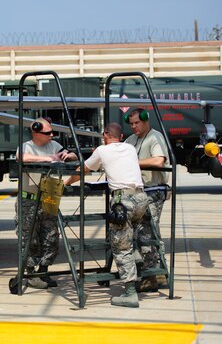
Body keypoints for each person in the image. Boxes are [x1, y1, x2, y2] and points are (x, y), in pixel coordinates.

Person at [65, 122, 150, 307]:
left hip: (123, 201)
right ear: (120, 137)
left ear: (105, 135)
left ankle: (130, 293)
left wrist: (67, 183)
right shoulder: (129, 148)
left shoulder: (102, 151)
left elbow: (83, 170)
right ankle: (136, 256)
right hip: (141, 199)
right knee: (129, 234)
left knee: (120, 247)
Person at [16, 117, 78, 289]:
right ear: (35, 132)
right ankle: (30, 273)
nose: (51, 135)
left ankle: (43, 271)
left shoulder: (54, 144)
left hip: (48, 198)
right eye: (47, 133)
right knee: (28, 238)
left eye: (52, 132)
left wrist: (68, 155)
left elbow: (72, 154)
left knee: (50, 237)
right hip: (29, 200)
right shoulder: (26, 147)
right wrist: (48, 159)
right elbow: (20, 157)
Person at [124, 108, 170, 292]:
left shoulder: (155, 137)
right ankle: (158, 273)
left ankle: (152, 276)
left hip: (154, 191)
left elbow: (159, 161)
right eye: (131, 123)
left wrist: (132, 162)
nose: (134, 126)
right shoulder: (131, 140)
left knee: (148, 233)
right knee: (147, 232)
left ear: (145, 120)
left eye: (137, 123)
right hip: (139, 192)